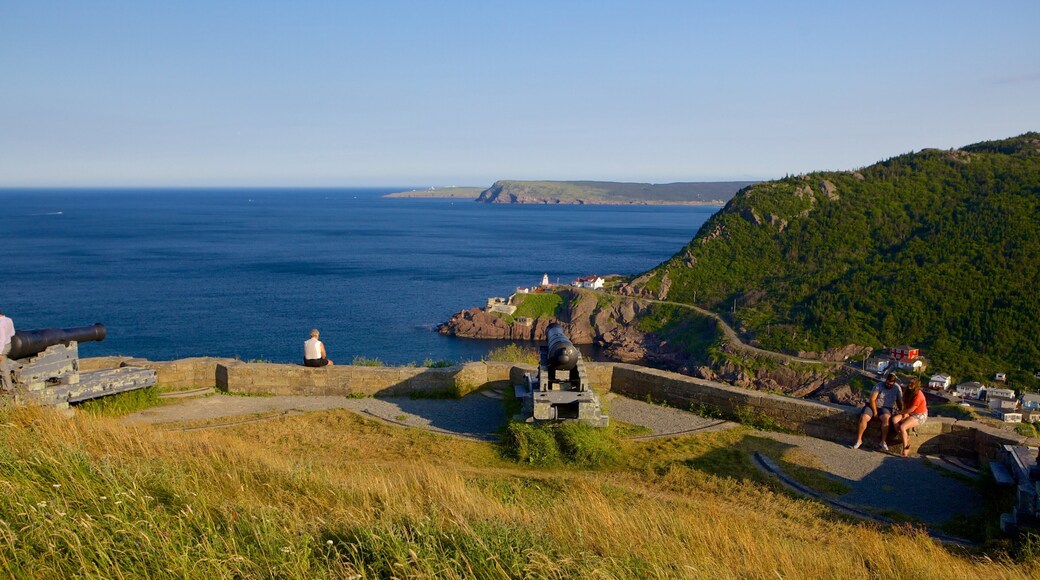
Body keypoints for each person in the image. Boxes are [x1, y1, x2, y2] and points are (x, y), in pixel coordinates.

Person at [853, 372, 902, 450]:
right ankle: (859, 440)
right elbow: (872, 399)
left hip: (886, 407)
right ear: (886, 381)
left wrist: (902, 411)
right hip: (873, 405)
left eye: (890, 384)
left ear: (894, 383)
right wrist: (875, 413)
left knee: (886, 419)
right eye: (887, 383)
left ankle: (883, 441)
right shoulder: (879, 386)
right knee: (864, 417)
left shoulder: (897, 388)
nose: (888, 385)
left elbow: (899, 401)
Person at [893, 377, 928, 457]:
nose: (909, 384)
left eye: (912, 383)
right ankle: (904, 438)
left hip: (919, 414)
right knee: (894, 419)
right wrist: (904, 413)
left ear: (916, 385)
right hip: (909, 412)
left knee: (902, 427)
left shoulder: (919, 395)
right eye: (909, 382)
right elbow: (905, 404)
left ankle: (906, 448)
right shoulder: (908, 391)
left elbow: (912, 409)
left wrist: (901, 412)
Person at [0, 311, 14, 392]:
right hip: (8, 344)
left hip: (2, 347)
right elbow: (12, 333)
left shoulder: (0, 324)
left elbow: (1, 340)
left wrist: (0, 353)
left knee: (3, 368)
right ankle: (5, 387)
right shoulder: (9, 320)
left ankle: (9, 388)